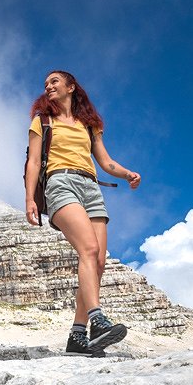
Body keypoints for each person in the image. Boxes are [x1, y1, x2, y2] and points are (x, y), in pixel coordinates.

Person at [23, 70, 142, 355]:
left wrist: (127, 175)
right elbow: (34, 162)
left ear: (71, 87)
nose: (48, 86)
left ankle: (77, 337)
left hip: (91, 188)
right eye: (45, 84)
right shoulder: (42, 121)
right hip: (60, 183)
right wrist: (30, 198)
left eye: (54, 82)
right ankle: (97, 320)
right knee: (87, 249)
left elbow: (105, 161)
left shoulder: (88, 125)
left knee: (99, 261)